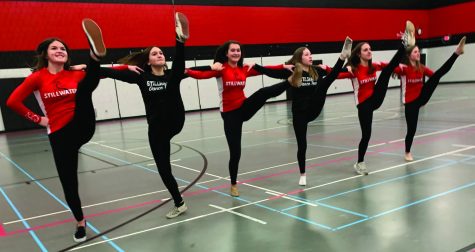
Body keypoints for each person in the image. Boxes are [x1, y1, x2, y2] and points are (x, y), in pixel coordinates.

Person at [7, 19, 106, 242]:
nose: (60, 50)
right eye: (54, 48)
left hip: (82, 123)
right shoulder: (38, 78)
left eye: (63, 48)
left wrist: (127, 67)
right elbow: (12, 101)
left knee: (85, 87)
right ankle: (80, 221)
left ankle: (96, 56)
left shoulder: (76, 73)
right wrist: (38, 119)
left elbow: (109, 74)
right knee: (68, 181)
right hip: (60, 133)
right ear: (45, 54)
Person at [98, 12, 191, 219]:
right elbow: (108, 73)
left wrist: (181, 44)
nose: (159, 55)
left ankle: (181, 40)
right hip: (157, 129)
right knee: (163, 169)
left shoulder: (172, 75)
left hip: (175, 121)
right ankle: (179, 202)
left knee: (177, 74)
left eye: (161, 53)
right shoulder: (142, 77)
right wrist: (92, 65)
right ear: (148, 61)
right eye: (154, 54)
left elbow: (187, 67)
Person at [185, 40, 297, 196]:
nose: (236, 53)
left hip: (244, 107)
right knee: (235, 151)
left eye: (238, 50)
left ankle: (290, 82)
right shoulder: (221, 69)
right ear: (226, 53)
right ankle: (233, 184)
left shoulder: (244, 69)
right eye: (233, 50)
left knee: (263, 92)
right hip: (230, 114)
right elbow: (200, 75)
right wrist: (186, 71)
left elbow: (264, 70)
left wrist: (282, 66)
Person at [252, 37, 353, 185]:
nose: (310, 56)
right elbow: (271, 73)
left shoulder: (316, 71)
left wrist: (346, 68)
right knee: (302, 145)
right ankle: (303, 174)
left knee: (325, 82)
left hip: (314, 108)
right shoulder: (293, 71)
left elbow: (333, 73)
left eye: (310, 54)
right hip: (299, 113)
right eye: (306, 54)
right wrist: (255, 66)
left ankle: (342, 56)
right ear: (299, 57)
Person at [337, 21, 416, 175]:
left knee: (386, 71)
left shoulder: (374, 66)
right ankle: (360, 163)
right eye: (366, 50)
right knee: (366, 135)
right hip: (363, 106)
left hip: (375, 99)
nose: (369, 51)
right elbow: (334, 74)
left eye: (370, 49)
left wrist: (405, 60)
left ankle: (404, 43)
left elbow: (392, 65)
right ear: (359, 54)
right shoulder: (353, 70)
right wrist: (325, 69)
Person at [393, 36, 466, 161]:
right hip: (411, 103)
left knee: (438, 74)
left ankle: (457, 53)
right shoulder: (403, 68)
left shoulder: (421, 67)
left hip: (422, 97)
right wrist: (403, 42)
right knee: (412, 130)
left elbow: (435, 76)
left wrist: (435, 79)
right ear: (409, 55)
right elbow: (390, 67)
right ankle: (407, 152)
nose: (418, 54)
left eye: (418, 51)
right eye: (415, 52)